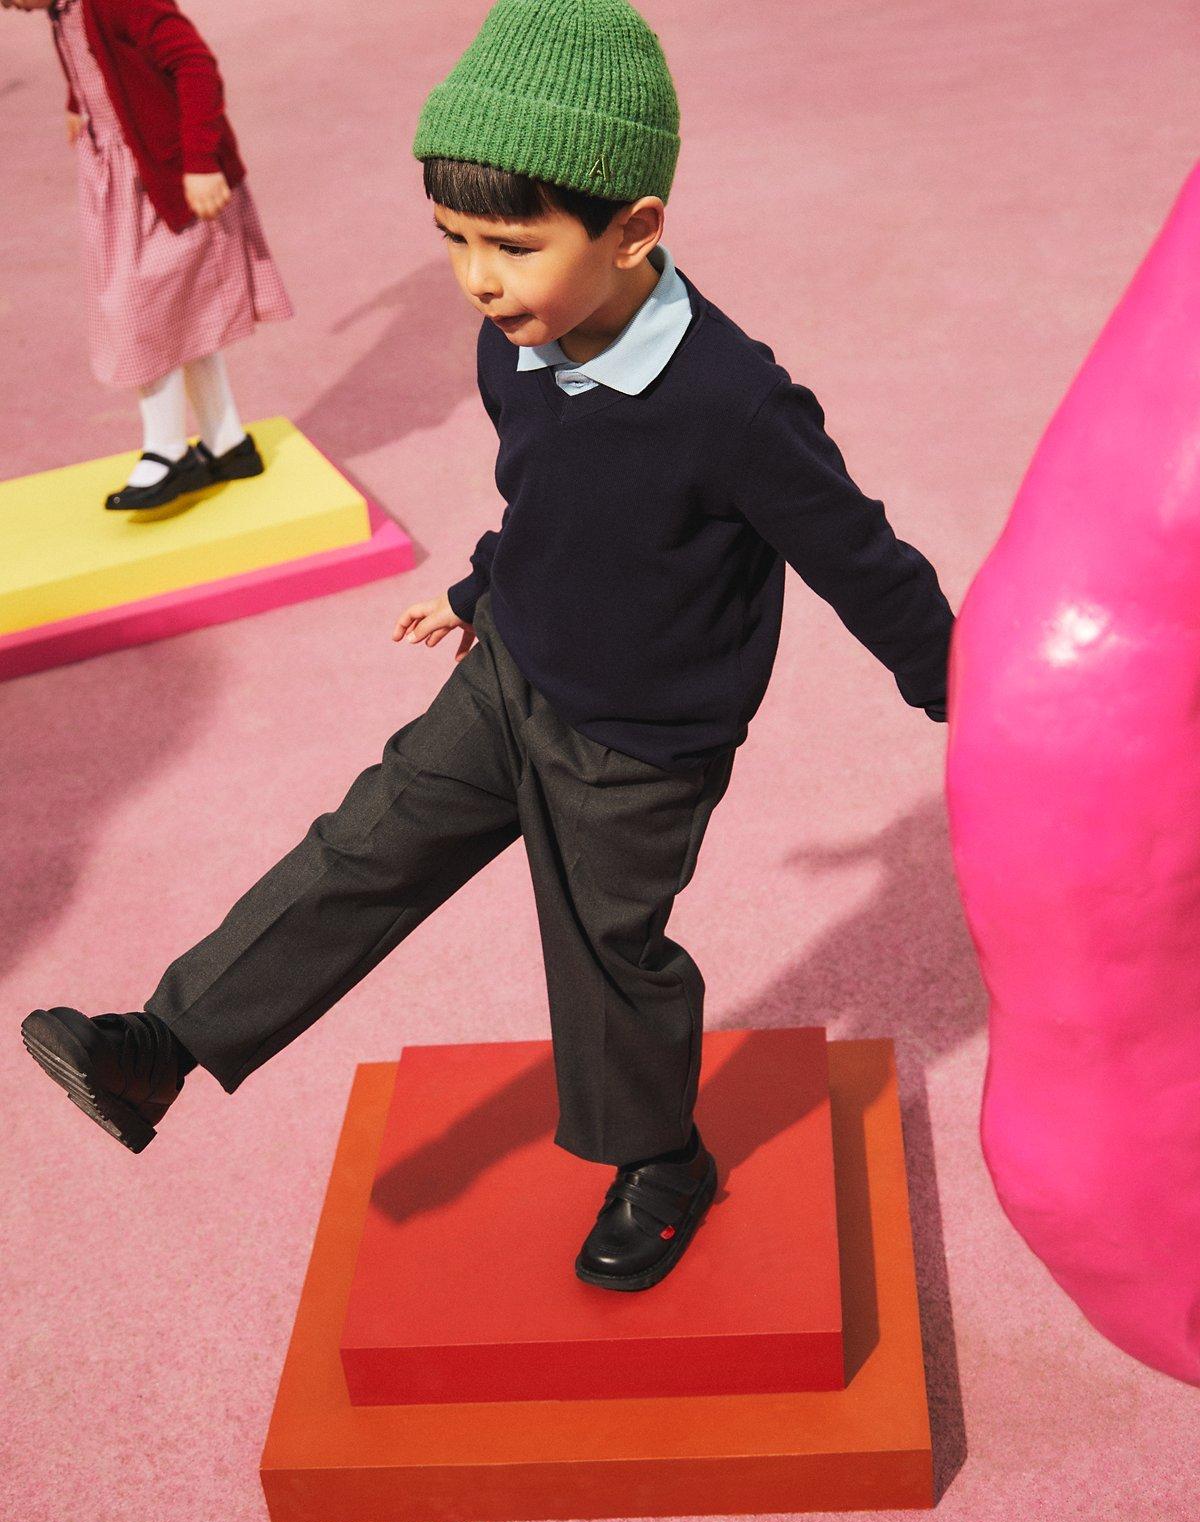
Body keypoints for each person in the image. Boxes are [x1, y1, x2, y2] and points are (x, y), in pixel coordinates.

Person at [20, 0, 954, 1294]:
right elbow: (546, 500)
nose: (475, 276)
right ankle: (158, 1049)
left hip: (638, 743)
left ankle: (661, 1159)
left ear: (634, 230)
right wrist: (476, 589)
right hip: (513, 665)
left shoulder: (734, 405)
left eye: (511, 245)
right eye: (453, 239)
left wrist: (964, 685)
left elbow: (860, 556)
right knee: (362, 847)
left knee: (602, 953)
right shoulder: (512, 345)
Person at [3, 0, 293, 509]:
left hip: (167, 177)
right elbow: (92, 56)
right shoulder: (61, 9)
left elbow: (194, 64)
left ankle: (166, 449)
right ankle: (227, 442)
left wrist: (201, 161)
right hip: (123, 177)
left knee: (141, 310)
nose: (9, 7)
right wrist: (79, 102)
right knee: (184, 315)